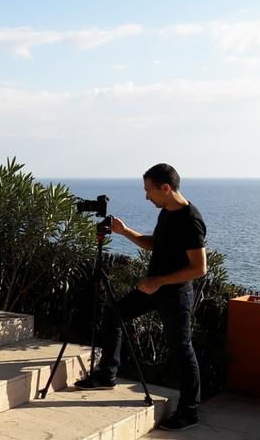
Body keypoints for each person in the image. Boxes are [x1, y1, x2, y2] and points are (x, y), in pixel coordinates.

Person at [74, 163, 207, 432]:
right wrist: (126, 232)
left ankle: (189, 411)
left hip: (174, 295)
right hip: (152, 289)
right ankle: (107, 374)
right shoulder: (167, 212)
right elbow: (156, 244)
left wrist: (157, 281)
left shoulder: (191, 219)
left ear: (166, 188)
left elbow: (199, 268)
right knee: (114, 313)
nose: (147, 196)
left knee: (182, 351)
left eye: (150, 191)